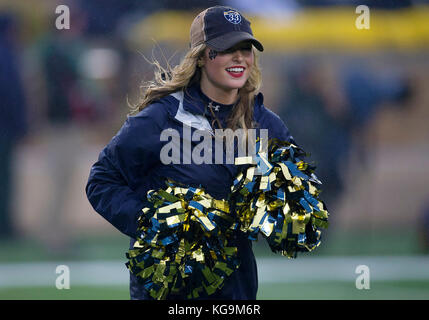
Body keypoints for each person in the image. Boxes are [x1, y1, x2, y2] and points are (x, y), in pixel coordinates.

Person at [86, 6, 294, 300]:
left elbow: (290, 210)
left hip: (235, 291)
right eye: (226, 49)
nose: (239, 57)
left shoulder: (265, 124)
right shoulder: (159, 119)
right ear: (201, 57)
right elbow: (102, 182)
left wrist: (282, 212)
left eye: (246, 48)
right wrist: (153, 223)